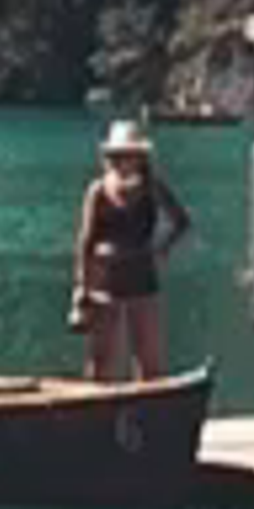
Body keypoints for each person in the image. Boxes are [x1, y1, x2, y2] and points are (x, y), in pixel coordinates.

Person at [70, 114, 193, 388]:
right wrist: (81, 285)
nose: (126, 160)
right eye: (121, 155)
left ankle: (149, 417)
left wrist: (161, 250)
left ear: (140, 157)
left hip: (142, 278)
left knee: (149, 361)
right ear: (111, 157)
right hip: (105, 281)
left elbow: (181, 221)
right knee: (101, 361)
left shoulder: (152, 187)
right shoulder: (99, 190)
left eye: (132, 155)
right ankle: (95, 415)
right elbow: (85, 241)